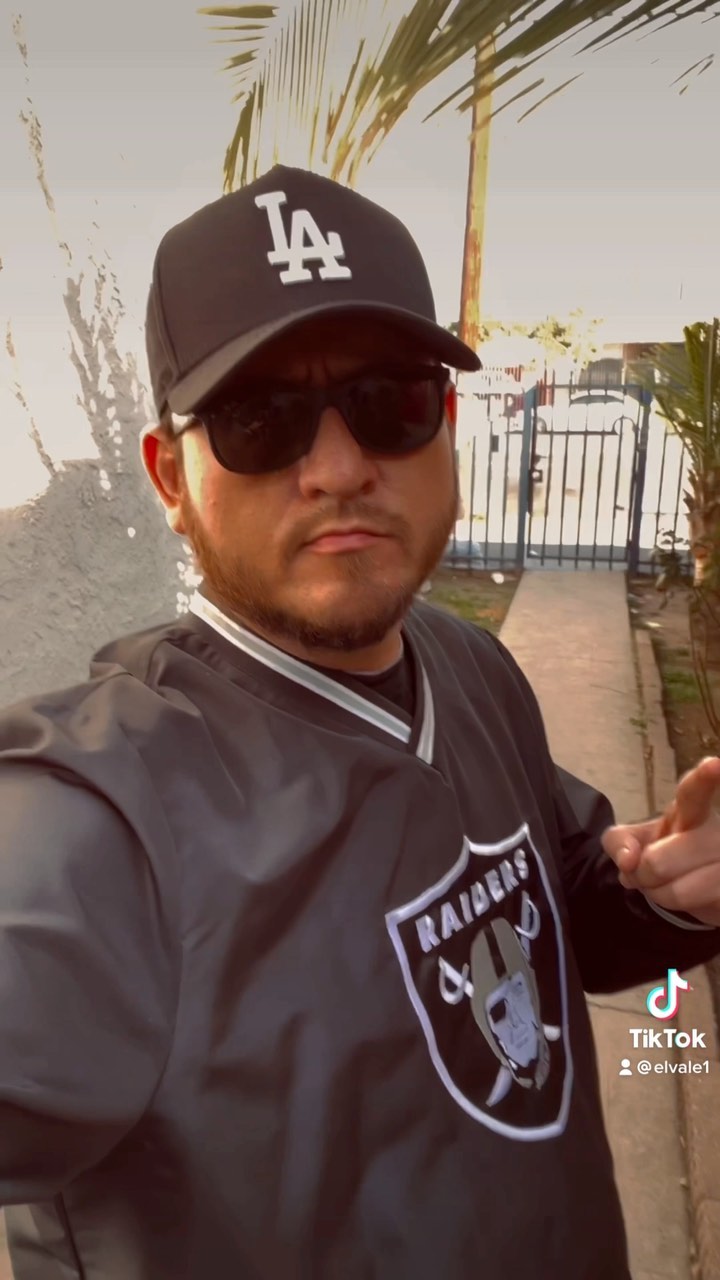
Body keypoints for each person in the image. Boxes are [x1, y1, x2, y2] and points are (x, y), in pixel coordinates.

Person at [1, 165, 719, 1280]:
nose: (338, 469)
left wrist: (669, 894)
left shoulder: (469, 665)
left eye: (390, 401)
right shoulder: (106, 810)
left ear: (447, 422)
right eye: (259, 420)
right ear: (171, 478)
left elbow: (559, 898)